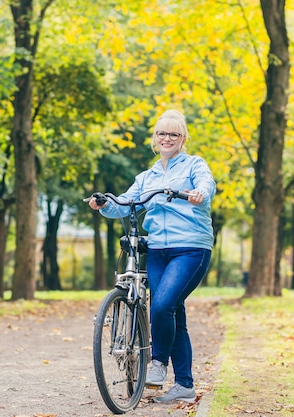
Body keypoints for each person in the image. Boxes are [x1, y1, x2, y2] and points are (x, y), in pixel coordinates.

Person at [88, 109, 216, 403]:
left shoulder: (195, 165)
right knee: (172, 312)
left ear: (183, 139)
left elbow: (207, 185)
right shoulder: (147, 177)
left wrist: (199, 193)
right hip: (157, 249)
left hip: (191, 248)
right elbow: (125, 202)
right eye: (162, 133)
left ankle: (157, 364)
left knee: (161, 305)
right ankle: (184, 385)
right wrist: (104, 203)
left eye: (173, 134)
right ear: (154, 139)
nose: (167, 138)